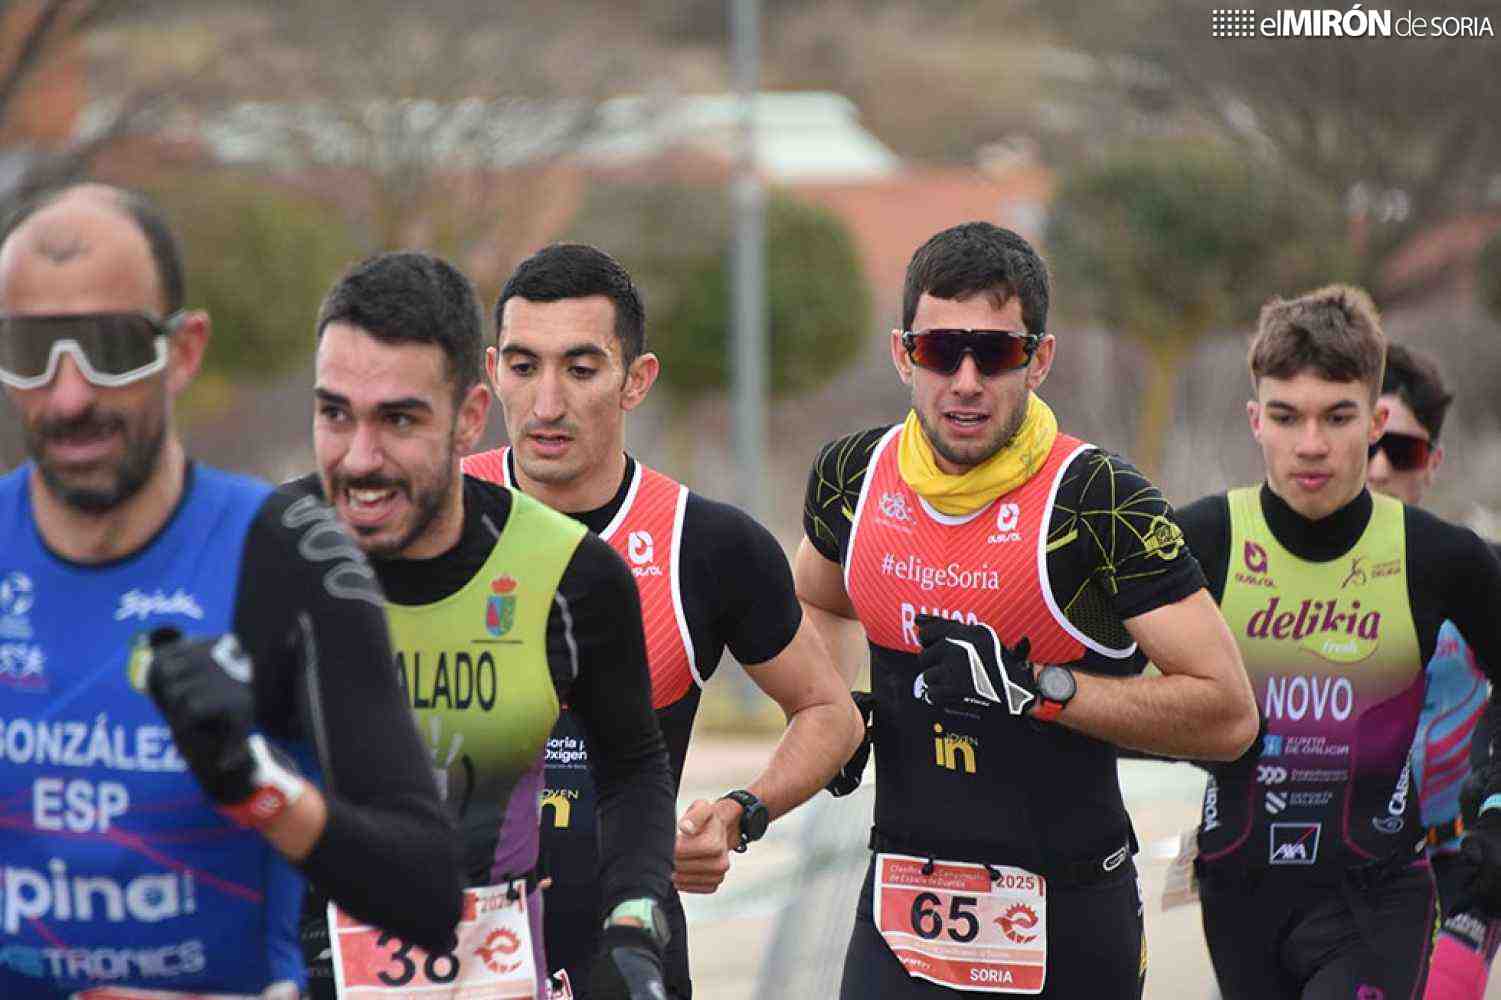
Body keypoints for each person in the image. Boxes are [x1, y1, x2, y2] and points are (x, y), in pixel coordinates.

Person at [0, 185, 461, 999]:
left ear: (184, 350)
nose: (68, 397)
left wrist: (259, 786)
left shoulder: (292, 555)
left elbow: (425, 895)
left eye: (111, 347)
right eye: (30, 352)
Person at [793, 220, 1258, 998]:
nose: (966, 381)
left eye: (997, 353)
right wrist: (844, 707)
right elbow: (818, 600)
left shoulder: (1100, 501)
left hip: (1066, 915)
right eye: (940, 351)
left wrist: (1038, 689)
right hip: (902, 911)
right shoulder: (852, 474)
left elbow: (1228, 715)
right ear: (901, 353)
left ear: (1039, 359)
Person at [464, 242, 863, 998]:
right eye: (523, 367)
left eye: (580, 370)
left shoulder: (705, 544)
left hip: (622, 956)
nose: (546, 403)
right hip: (441, 961)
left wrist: (743, 811)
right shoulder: (422, 517)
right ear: (491, 372)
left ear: (634, 380)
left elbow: (829, 712)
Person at [288, 250, 676, 1000]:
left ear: (468, 416)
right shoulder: (274, 548)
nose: (361, 457)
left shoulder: (574, 573)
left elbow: (632, 766)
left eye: (400, 418)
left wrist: (633, 915)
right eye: (335, 413)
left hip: (495, 971)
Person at [1173, 285, 1501, 999]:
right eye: (1287, 417)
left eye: (1337, 416)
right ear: (1255, 420)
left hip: (1377, 893)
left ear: (1376, 419)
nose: (1311, 444)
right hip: (1239, 889)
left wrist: (1494, 814)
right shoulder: (1197, 540)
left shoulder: (1441, 557)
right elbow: (1104, 679)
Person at [1367, 342, 1500, 998]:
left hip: (1459, 867)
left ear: (1433, 464)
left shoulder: (1477, 572)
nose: (1378, 469)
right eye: (1364, 441)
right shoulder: (1278, 579)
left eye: (1402, 451)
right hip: (1337, 867)